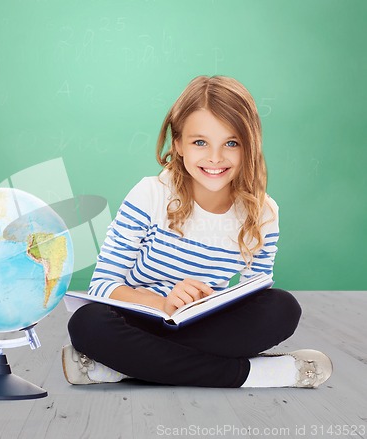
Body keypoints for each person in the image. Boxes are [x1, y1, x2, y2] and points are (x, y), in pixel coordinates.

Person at [62, 75, 332, 388]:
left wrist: (208, 304)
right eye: (199, 142)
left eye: (231, 143)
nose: (215, 158)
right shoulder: (151, 194)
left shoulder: (264, 213)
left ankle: (121, 367)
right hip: (143, 320)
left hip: (205, 327)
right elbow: (102, 286)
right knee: (87, 324)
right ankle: (251, 375)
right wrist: (164, 304)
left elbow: (253, 296)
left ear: (249, 146)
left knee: (282, 308)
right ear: (177, 144)